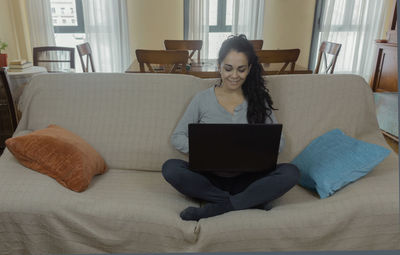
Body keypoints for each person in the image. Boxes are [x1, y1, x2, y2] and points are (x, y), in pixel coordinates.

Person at [162, 34, 299, 221]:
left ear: (250, 69)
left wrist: (256, 152)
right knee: (171, 168)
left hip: (248, 178)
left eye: (241, 69)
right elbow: (177, 136)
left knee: (291, 172)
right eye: (228, 68)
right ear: (219, 66)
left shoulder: (259, 101)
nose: (234, 76)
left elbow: (279, 142)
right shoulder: (202, 99)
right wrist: (206, 151)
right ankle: (246, 201)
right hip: (210, 179)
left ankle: (222, 206)